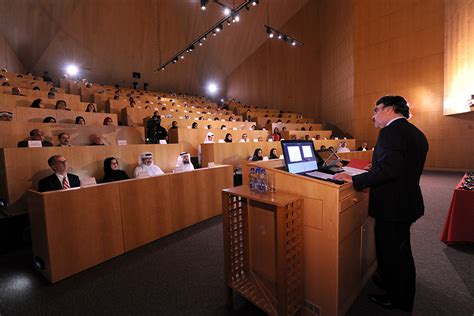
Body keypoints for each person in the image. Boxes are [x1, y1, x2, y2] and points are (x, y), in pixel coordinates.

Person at [334, 95, 428, 312]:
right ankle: (394, 285)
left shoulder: (390, 132)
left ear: (390, 109)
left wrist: (354, 179)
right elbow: (400, 166)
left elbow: (391, 170)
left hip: (393, 206)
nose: (373, 115)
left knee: (394, 253)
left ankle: (399, 299)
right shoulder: (415, 132)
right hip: (407, 201)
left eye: (376, 109)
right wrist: (374, 170)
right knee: (399, 248)